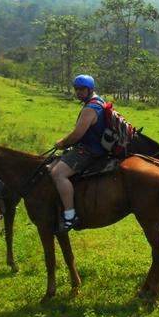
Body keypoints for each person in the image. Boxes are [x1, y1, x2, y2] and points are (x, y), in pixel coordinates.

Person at [51, 74, 107, 232]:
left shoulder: (91, 108)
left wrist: (62, 142)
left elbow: (77, 134)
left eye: (81, 89)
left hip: (89, 150)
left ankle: (70, 216)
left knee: (58, 173)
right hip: (94, 146)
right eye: (76, 89)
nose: (78, 92)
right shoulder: (99, 101)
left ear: (89, 89)